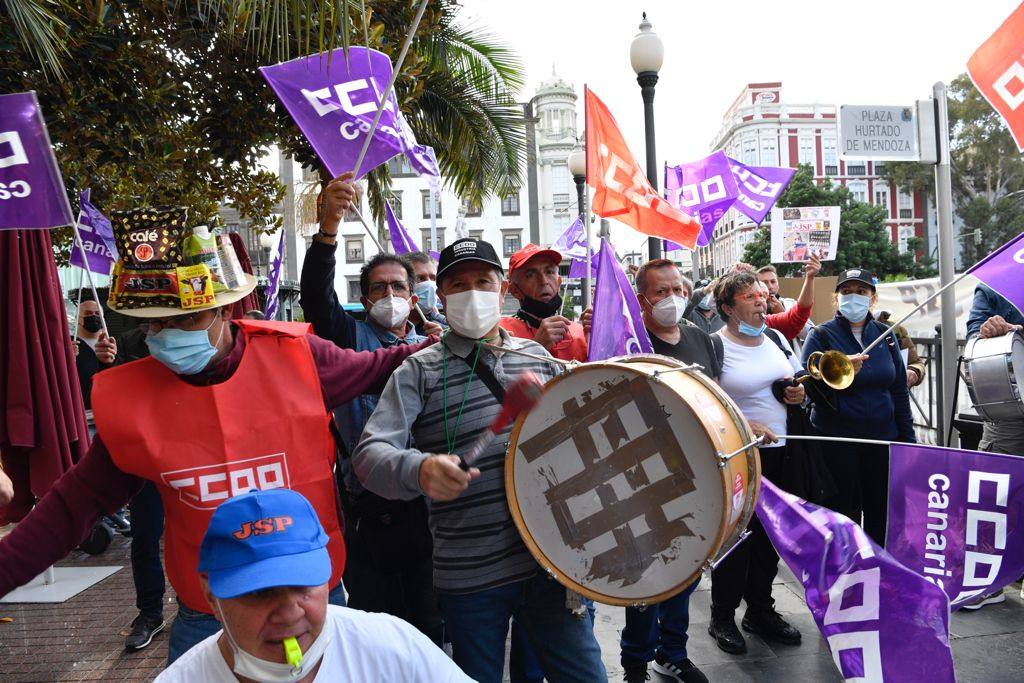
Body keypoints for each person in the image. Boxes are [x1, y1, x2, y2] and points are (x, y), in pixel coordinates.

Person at [0, 209, 435, 665]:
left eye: (185, 320)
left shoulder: (299, 357)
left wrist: (444, 343)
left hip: (313, 603)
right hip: (211, 619)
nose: (166, 335)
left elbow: (380, 367)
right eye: (155, 323)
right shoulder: (132, 400)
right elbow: (70, 508)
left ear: (224, 310)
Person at [353, 239, 606, 683]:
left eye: (483, 282)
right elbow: (370, 456)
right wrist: (420, 469)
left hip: (551, 564)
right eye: (458, 283)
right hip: (470, 577)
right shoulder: (417, 370)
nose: (472, 292)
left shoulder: (538, 359)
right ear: (441, 295)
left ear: (502, 287)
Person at [300, 175, 443, 645]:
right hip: (370, 507)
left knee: (430, 624)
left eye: (398, 287)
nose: (389, 296)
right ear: (364, 300)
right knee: (378, 628)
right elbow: (316, 298)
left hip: (429, 505)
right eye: (378, 289)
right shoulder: (349, 337)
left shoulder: (434, 346)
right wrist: (328, 230)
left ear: (414, 295)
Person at [155, 488, 471, 682]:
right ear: (211, 595)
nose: (290, 613)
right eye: (258, 592)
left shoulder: (392, 648)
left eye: (303, 583)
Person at [618, 259, 716, 683]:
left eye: (679, 288)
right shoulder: (630, 345)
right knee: (646, 573)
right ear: (642, 299)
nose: (673, 297)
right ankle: (635, 662)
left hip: (694, 474)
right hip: (642, 481)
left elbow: (717, 400)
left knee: (687, 567)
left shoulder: (701, 339)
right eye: (661, 291)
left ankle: (672, 651)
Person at [706, 271, 806, 656]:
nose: (760, 301)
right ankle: (723, 616)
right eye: (749, 296)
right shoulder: (715, 346)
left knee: (769, 538)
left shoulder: (777, 338)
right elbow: (709, 402)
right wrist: (746, 424)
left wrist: (797, 392)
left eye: (762, 295)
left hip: (782, 450)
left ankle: (761, 610)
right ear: (728, 308)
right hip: (740, 458)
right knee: (736, 539)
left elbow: (795, 377)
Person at [801, 269, 914, 547]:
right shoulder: (821, 336)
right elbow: (809, 389)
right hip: (838, 442)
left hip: (882, 440)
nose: (854, 297)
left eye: (861, 291)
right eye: (847, 291)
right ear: (836, 297)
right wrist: (841, 370)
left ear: (872, 299)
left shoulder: (886, 336)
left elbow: (898, 389)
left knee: (881, 514)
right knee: (843, 516)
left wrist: (907, 440)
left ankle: (880, 574)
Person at [962, 283, 1024, 609]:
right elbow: (973, 337)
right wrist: (986, 331)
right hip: (1007, 403)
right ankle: (988, 580)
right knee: (994, 490)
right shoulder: (995, 283)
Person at [500, 243, 588, 362]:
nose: (544, 281)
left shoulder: (580, 331)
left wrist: (600, 340)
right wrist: (536, 348)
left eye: (549, 272)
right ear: (515, 291)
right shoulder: (501, 333)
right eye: (530, 275)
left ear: (559, 282)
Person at [72, 298, 118, 412]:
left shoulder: (112, 345)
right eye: (88, 314)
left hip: (108, 409)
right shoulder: (69, 345)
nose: (93, 316)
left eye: (97, 314)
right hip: (79, 411)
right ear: (78, 318)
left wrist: (112, 362)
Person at [876, 310, 927, 388]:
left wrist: (913, 371)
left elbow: (916, 363)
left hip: (894, 396)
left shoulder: (895, 329)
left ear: (873, 299)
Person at [403, 250, 448, 329]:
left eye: (433, 278)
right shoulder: (392, 324)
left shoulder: (446, 325)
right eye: (419, 278)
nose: (429, 284)